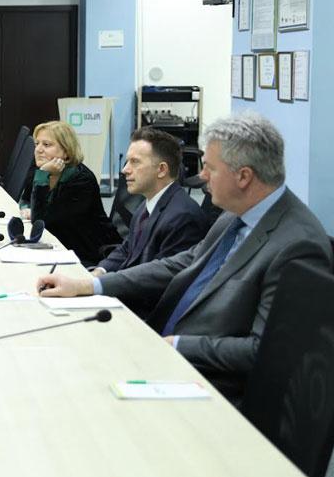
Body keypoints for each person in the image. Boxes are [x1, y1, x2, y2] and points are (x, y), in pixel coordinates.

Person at [37, 115, 333, 403]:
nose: (201, 177)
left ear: (243, 176)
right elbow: (181, 262)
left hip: (209, 380)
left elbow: (264, 350)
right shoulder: (235, 214)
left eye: (210, 168)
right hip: (165, 338)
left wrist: (176, 344)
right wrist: (90, 285)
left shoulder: (298, 244)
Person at [93, 128, 208, 280]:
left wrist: (99, 285)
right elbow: (127, 249)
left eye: (135, 162)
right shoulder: (147, 204)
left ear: (161, 170)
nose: (125, 170)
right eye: (127, 161)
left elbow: (157, 281)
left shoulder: (182, 217)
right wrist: (99, 272)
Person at [26, 120, 120, 266]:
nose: (38, 149)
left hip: (90, 252)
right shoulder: (40, 167)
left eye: (46, 145)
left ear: (66, 152)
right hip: (62, 244)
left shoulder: (81, 180)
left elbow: (41, 221)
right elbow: (24, 199)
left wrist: (42, 175)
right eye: (37, 144)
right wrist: (26, 207)